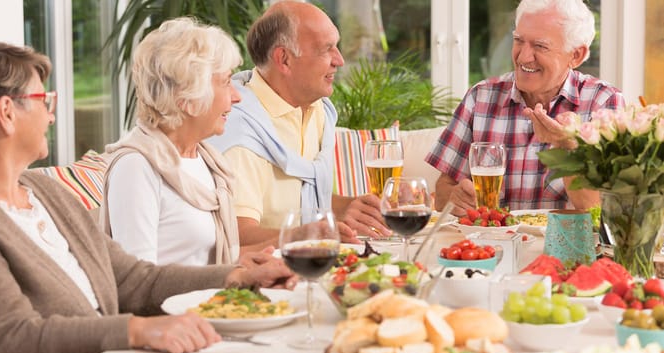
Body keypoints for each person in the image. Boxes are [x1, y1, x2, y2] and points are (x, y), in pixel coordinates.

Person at [0, 41, 295, 353]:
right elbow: (10, 338)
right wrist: (137, 331)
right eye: (43, 101)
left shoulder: (46, 194)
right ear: (6, 112)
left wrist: (236, 276)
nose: (52, 115)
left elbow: (133, 278)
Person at [207, 1, 391, 247]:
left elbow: (298, 194)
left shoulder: (317, 110)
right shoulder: (238, 129)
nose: (340, 60)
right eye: (326, 49)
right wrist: (308, 236)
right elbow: (237, 235)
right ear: (284, 59)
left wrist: (346, 207)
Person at [101, 17, 277, 267]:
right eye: (226, 82)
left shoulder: (207, 160)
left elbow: (204, 261)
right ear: (188, 97)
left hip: (215, 300)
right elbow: (137, 282)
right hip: (174, 307)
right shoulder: (137, 168)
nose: (237, 97)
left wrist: (288, 245)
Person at [425, 0, 625, 217]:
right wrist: (456, 199)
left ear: (575, 55)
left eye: (540, 46)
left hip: (567, 248)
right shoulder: (480, 97)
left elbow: (601, 213)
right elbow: (443, 190)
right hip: (492, 246)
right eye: (519, 40)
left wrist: (566, 146)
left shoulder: (604, 104)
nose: (523, 56)